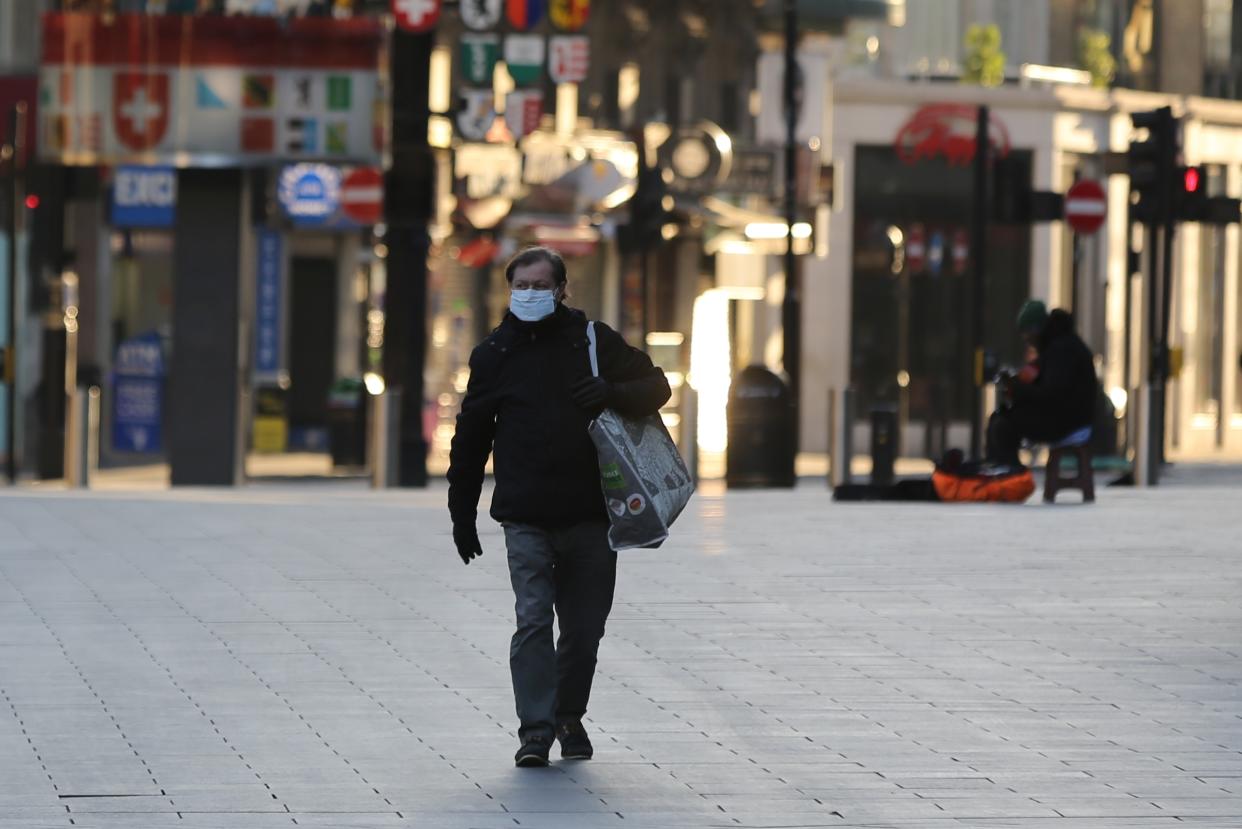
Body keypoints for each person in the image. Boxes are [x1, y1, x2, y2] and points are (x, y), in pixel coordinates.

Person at [446, 246, 671, 768]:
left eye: (539, 285)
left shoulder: (593, 341)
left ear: (562, 289)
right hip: (524, 514)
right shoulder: (494, 354)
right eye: (519, 286)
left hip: (593, 513)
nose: (528, 295)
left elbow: (656, 385)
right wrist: (463, 512)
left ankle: (569, 715)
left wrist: (609, 392)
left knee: (583, 627)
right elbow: (472, 436)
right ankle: (535, 731)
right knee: (531, 621)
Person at [986, 299, 1097, 466]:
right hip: (1066, 415)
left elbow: (1052, 394)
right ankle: (1001, 470)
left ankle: (1007, 474)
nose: (1026, 340)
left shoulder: (1062, 349)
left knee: (1003, 426)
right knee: (1000, 418)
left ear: (1036, 329)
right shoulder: (1058, 345)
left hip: (1068, 420)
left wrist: (1019, 390)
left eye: (1027, 335)